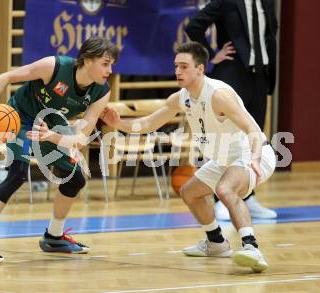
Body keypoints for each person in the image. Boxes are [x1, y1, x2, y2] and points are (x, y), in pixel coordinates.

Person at [100, 42, 275, 272]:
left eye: (184, 66)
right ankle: (216, 243)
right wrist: (118, 123)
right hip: (223, 158)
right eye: (176, 66)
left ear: (200, 69)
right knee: (189, 192)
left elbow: (253, 129)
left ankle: (251, 247)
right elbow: (150, 123)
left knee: (224, 189)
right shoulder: (182, 97)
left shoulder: (219, 95)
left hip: (254, 153)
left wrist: (254, 158)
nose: (178, 72)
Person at [0, 37, 119, 265]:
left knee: (75, 180)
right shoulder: (54, 67)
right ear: (87, 59)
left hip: (50, 127)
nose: (109, 70)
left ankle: (54, 236)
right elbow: (7, 77)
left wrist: (52, 136)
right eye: (105, 63)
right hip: (20, 121)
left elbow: (81, 140)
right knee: (17, 175)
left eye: (111, 64)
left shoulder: (101, 91)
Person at [185, 0, 278, 220]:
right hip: (233, 74)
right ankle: (219, 199)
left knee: (253, 135)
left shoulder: (267, 2)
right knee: (226, 139)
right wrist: (210, 53)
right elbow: (194, 26)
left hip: (259, 76)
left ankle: (247, 196)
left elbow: (269, 35)